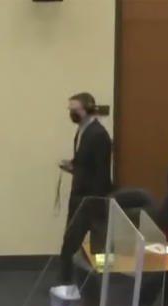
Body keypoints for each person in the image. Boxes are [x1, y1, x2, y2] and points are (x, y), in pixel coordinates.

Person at [58, 92, 113, 284]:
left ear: (87, 109)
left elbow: (101, 173)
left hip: (91, 199)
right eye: (70, 109)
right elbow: (85, 162)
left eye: (75, 109)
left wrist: (94, 201)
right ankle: (65, 284)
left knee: (98, 247)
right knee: (70, 243)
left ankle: (103, 284)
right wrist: (73, 165)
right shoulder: (82, 130)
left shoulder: (99, 135)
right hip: (79, 195)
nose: (71, 112)